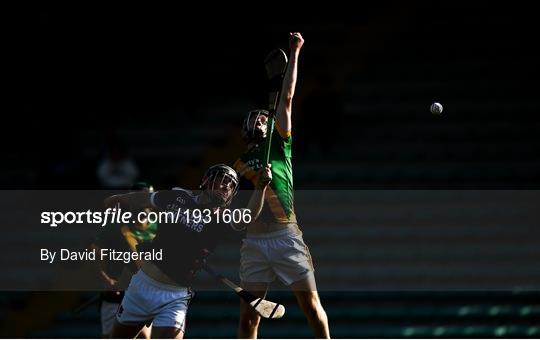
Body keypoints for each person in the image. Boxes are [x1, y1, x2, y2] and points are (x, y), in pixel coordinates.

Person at [233, 32, 330, 338]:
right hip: (254, 243)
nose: (261, 121)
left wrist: (296, 51)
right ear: (247, 130)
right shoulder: (237, 166)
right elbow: (242, 213)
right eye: (257, 120)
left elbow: (287, 97)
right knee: (249, 318)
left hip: (286, 236)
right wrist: (260, 186)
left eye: (265, 119)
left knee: (311, 306)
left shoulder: (280, 145)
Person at [106, 164, 271, 339]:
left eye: (231, 185)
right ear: (207, 181)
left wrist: (260, 188)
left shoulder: (222, 219)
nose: (226, 186)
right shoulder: (178, 196)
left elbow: (249, 216)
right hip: (142, 286)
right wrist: (117, 199)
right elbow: (145, 199)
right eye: (223, 180)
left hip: (174, 297)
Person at [92, 182, 157, 338]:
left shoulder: (159, 228)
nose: (142, 204)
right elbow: (94, 254)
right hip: (115, 298)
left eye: (146, 199)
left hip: (142, 297)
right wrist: (106, 280)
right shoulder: (114, 227)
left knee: (143, 337)